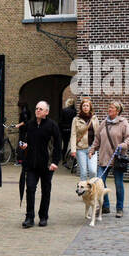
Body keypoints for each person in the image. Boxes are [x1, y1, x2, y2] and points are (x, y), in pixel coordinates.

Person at [19, 100, 61, 228]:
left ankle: (43, 216)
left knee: (46, 191)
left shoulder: (52, 125)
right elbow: (21, 140)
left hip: (47, 165)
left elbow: (58, 145)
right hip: (31, 164)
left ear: (46, 112)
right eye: (37, 108)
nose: (37, 110)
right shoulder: (29, 124)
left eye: (40, 109)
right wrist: (23, 145)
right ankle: (29, 217)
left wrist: (54, 162)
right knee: (30, 189)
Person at [89, 100, 129, 217]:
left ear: (117, 111)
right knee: (100, 182)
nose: (109, 109)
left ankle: (119, 208)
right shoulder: (104, 123)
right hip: (104, 158)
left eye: (112, 108)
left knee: (118, 184)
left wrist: (123, 145)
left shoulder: (123, 123)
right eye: (109, 107)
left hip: (117, 159)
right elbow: (97, 139)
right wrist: (92, 150)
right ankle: (106, 206)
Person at [69, 95, 101, 182]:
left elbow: (98, 134)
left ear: (90, 107)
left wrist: (97, 147)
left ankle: (92, 190)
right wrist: (73, 149)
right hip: (80, 149)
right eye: (84, 106)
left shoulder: (94, 119)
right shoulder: (76, 119)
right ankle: (83, 192)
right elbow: (73, 134)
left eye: (87, 106)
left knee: (93, 171)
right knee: (83, 173)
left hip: (92, 148)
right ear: (81, 107)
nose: (85, 107)